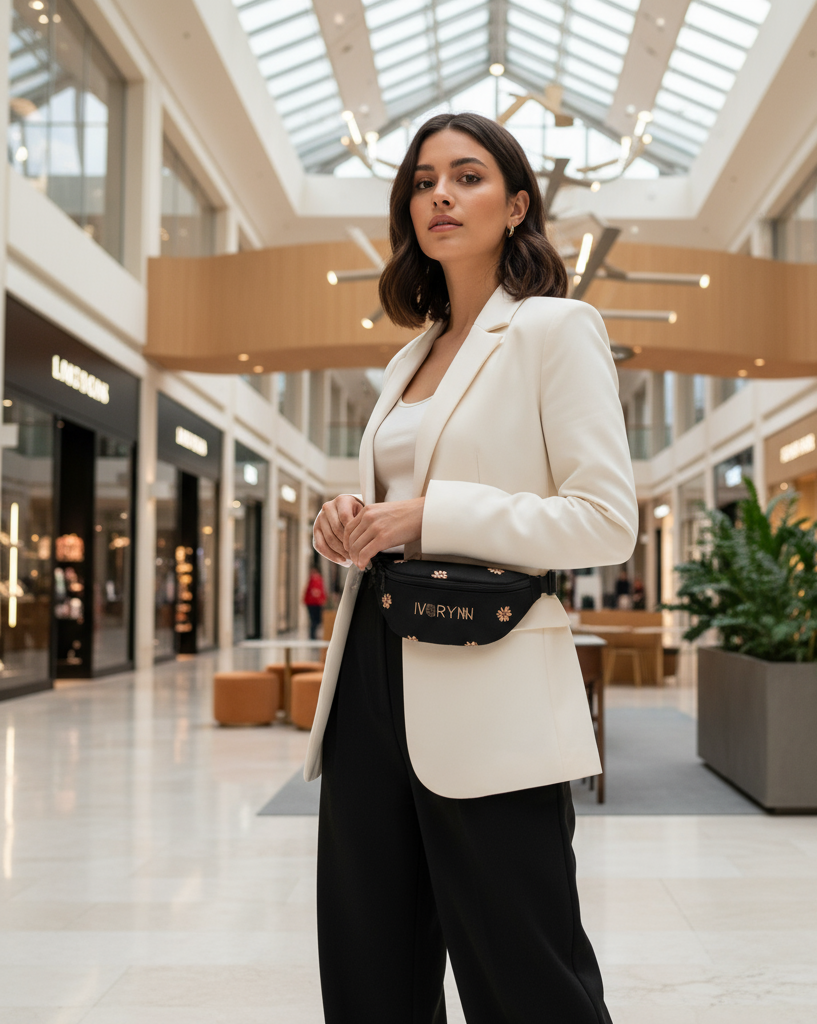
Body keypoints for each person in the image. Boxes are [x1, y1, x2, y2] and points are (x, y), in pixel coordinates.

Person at [307, 112, 637, 1024]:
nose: (440, 195)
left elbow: (607, 522)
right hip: (371, 667)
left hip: (489, 674)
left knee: (524, 971)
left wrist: (432, 513)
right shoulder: (406, 358)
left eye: (467, 176)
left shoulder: (554, 330)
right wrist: (352, 520)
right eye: (422, 181)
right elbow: (395, 502)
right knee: (369, 964)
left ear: (516, 204)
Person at [303, 563, 327, 639]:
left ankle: (313, 635)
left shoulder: (316, 579)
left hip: (315, 603)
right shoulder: (314, 579)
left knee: (315, 620)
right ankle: (312, 636)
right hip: (313, 603)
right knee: (314, 620)